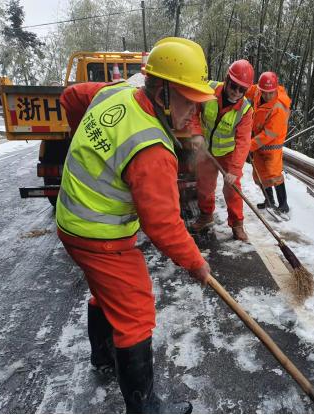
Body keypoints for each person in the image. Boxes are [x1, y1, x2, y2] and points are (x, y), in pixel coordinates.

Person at [56, 37, 215, 414]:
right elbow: (163, 225)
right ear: (161, 92)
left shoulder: (116, 94)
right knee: (136, 315)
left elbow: (73, 97)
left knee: (105, 293)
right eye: (187, 99)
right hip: (99, 236)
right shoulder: (152, 149)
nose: (193, 110)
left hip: (72, 221)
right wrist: (196, 263)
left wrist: (92, 145)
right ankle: (145, 408)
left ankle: (103, 357)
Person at [189, 60, 254, 242]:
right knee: (204, 186)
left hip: (228, 155)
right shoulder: (208, 90)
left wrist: (234, 170)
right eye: (234, 86)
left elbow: (243, 142)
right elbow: (193, 112)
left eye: (242, 89)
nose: (237, 92)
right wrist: (196, 134)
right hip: (206, 150)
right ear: (226, 79)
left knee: (232, 190)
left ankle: (237, 224)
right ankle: (206, 215)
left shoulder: (245, 110)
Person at [245, 71, 291, 214]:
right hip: (259, 144)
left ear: (276, 89)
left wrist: (249, 145)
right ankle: (269, 200)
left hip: (271, 146)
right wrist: (237, 88)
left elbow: (268, 134)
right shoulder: (259, 91)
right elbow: (249, 90)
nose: (267, 96)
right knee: (260, 174)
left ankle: (283, 204)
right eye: (264, 92)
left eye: (270, 93)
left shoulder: (279, 108)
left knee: (274, 175)